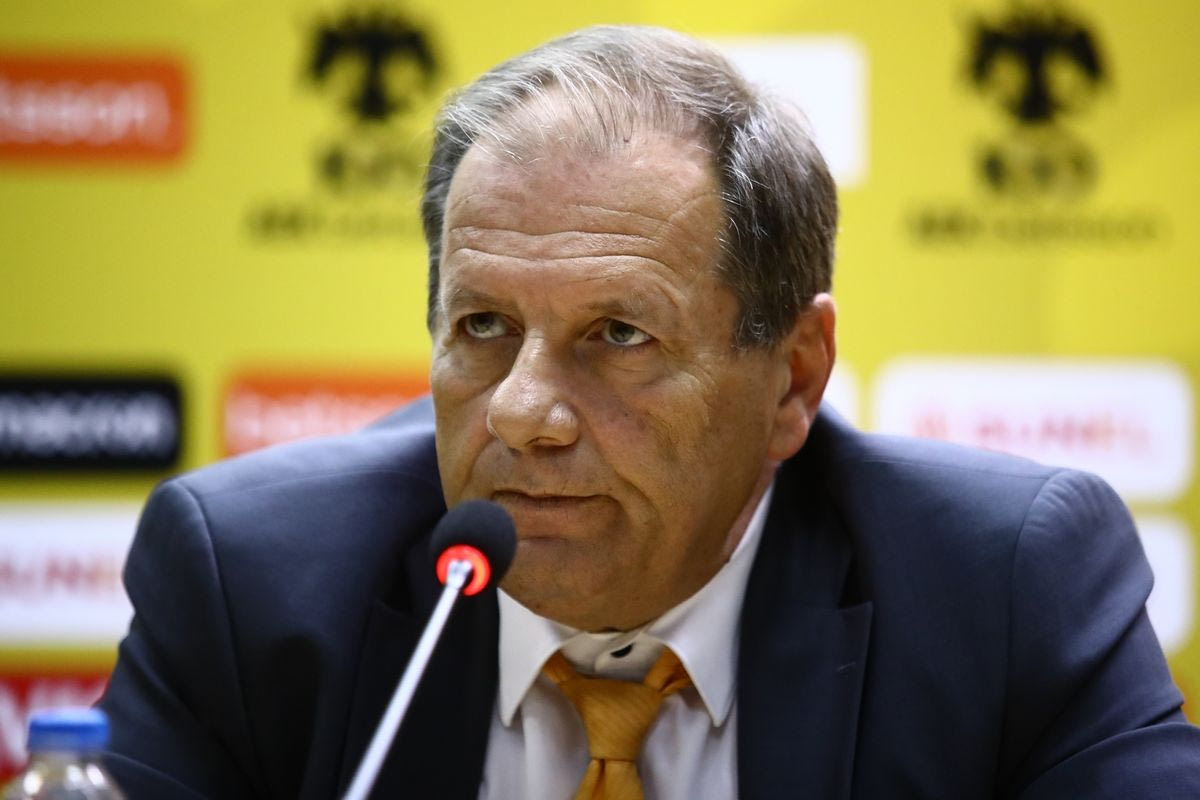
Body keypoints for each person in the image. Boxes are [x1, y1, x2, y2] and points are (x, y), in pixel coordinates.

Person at [98, 24, 1200, 799]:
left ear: (793, 378)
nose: (523, 413)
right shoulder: (250, 583)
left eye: (618, 335)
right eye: (483, 324)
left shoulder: (1000, 590)